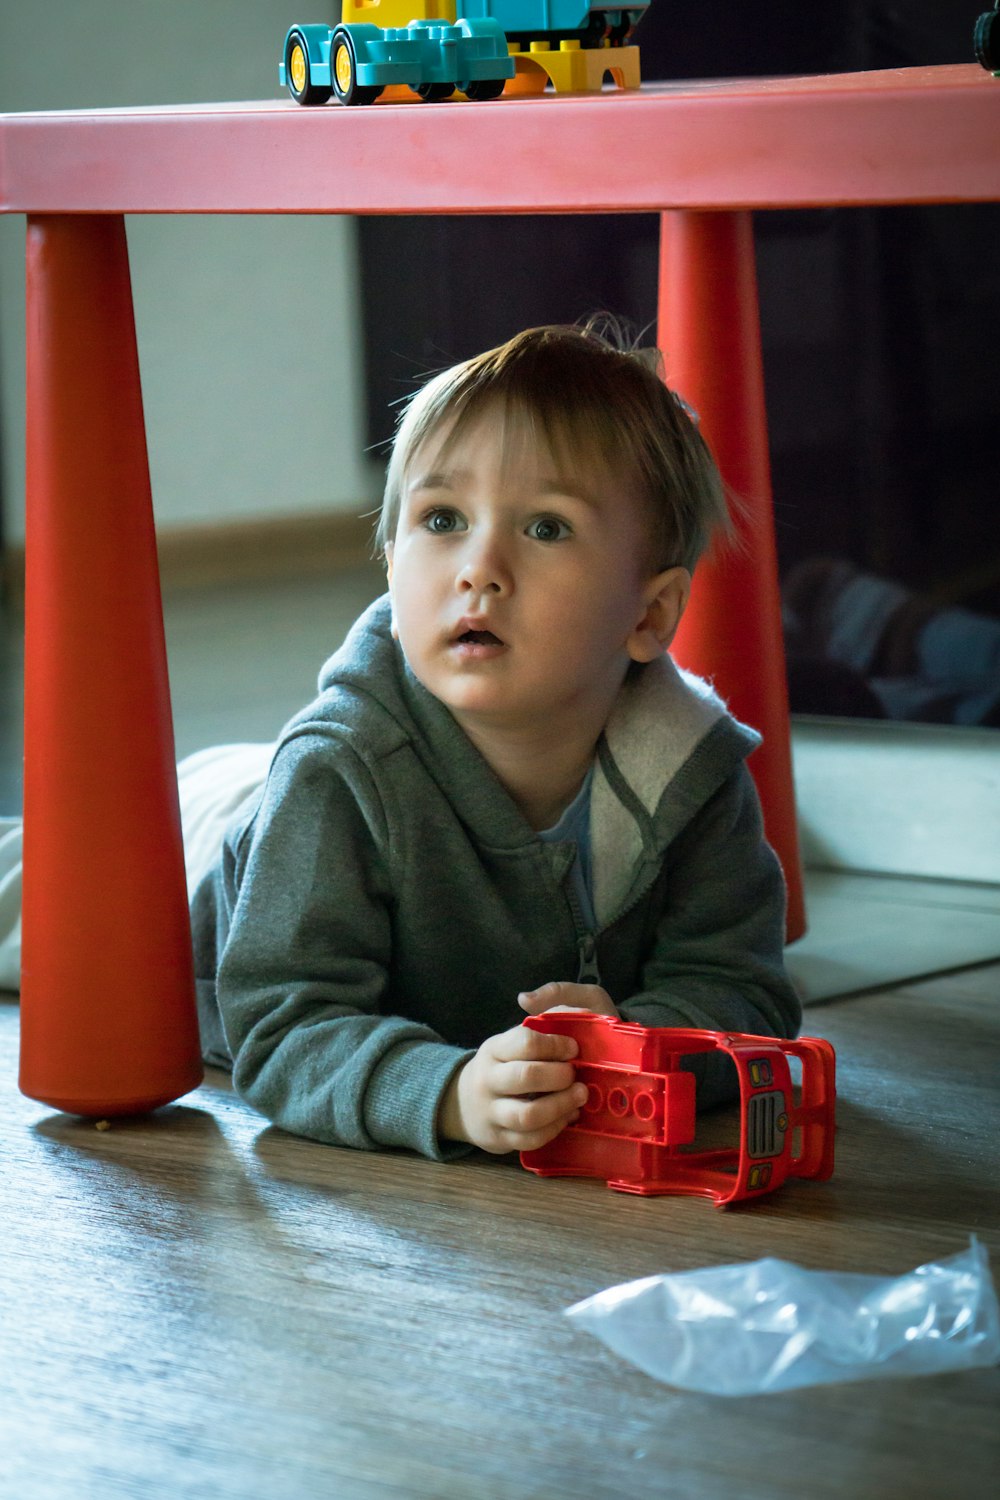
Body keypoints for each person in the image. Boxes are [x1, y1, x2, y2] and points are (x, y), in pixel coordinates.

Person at [2, 322, 801, 1156]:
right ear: (390, 562)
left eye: (547, 529)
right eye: (444, 517)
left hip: (273, 783)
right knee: (45, 895)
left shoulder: (693, 770)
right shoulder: (337, 772)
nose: (479, 568)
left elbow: (744, 993)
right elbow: (286, 1031)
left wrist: (642, 1042)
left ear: (650, 614)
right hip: (197, 857)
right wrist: (449, 1094)